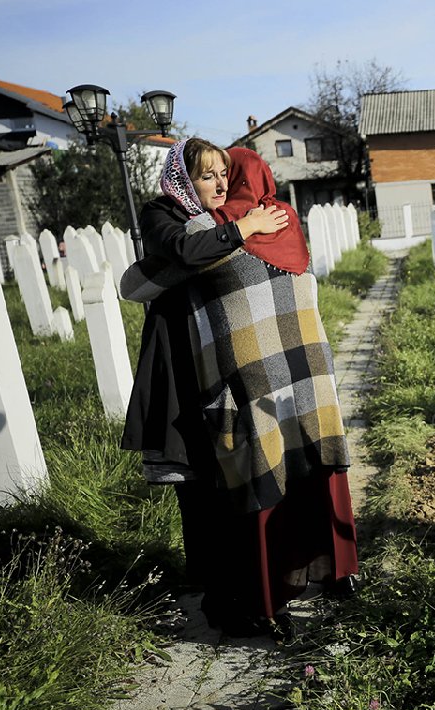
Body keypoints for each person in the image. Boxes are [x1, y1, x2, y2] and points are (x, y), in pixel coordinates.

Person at [121, 138, 359, 638]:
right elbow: (137, 283)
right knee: (208, 494)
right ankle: (227, 601)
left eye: (225, 174)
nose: (220, 183)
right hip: (188, 371)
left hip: (228, 374)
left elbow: (148, 279)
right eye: (207, 174)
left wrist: (233, 229)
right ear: (183, 178)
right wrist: (241, 227)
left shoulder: (250, 225)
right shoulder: (175, 217)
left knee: (227, 487)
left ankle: (241, 597)